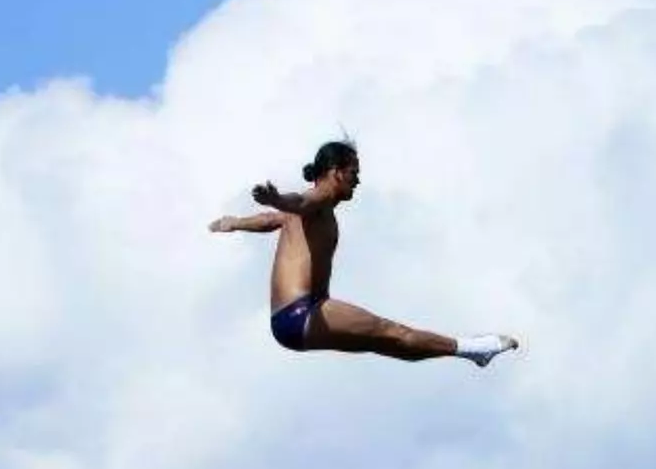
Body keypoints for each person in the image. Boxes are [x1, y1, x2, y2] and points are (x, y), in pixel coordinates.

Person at [209, 140, 519, 367]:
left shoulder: (316, 209)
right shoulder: (314, 200)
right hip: (302, 312)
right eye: (354, 172)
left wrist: (236, 222)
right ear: (336, 172)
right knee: (390, 331)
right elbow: (295, 204)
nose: (358, 180)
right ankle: (475, 348)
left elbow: (272, 220)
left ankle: (472, 351)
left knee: (389, 343)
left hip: (293, 319)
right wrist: (277, 198)